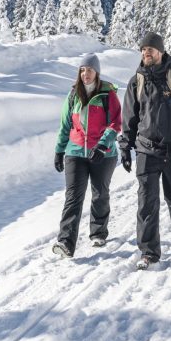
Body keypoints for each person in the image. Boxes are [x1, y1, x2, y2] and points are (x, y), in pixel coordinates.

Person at [120, 32, 171, 270]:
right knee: (146, 202)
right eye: (144, 49)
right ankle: (149, 252)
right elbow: (129, 119)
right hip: (147, 151)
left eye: (151, 49)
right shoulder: (137, 82)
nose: (147, 52)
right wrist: (126, 147)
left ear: (161, 52)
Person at [52, 53, 122, 258]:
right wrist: (59, 150)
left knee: (100, 192)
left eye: (89, 70)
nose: (85, 74)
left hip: (103, 153)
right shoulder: (74, 94)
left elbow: (116, 123)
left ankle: (98, 232)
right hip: (75, 152)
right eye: (82, 70)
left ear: (97, 72)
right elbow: (65, 125)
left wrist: (102, 145)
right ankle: (65, 242)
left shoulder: (108, 94)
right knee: (73, 197)